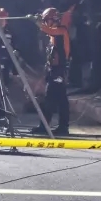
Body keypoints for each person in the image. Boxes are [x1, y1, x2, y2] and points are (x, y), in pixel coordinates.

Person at [32, 7, 71, 136]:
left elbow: (48, 30)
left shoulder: (61, 31)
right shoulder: (53, 35)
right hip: (53, 71)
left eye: (46, 20)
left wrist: (37, 23)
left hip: (58, 71)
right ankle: (60, 126)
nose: (45, 23)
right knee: (60, 99)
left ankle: (47, 126)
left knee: (51, 99)